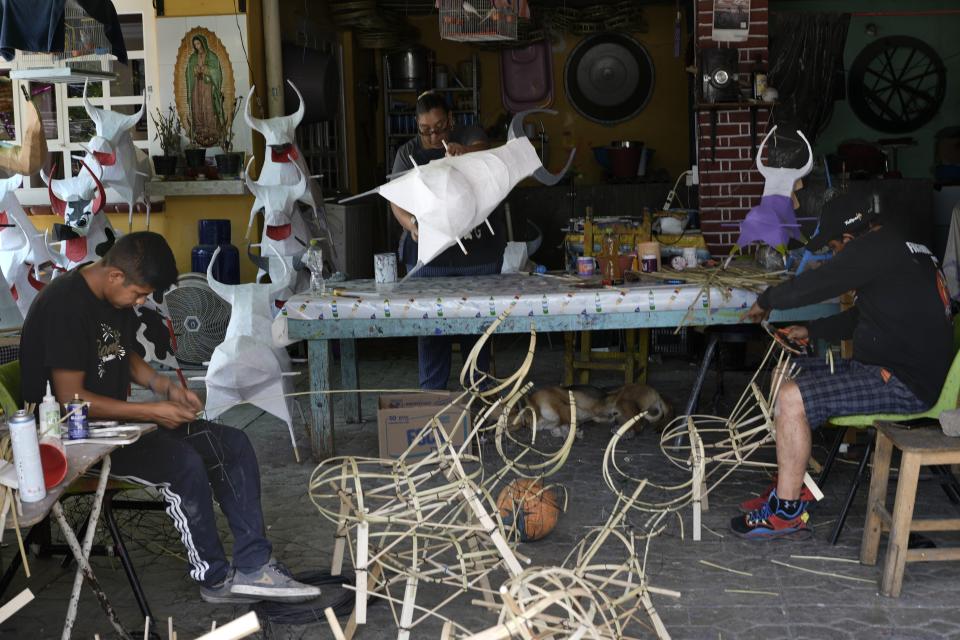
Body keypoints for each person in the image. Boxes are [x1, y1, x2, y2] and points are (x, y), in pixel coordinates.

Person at [20, 232, 320, 604]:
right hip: (74, 441)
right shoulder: (65, 305)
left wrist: (165, 388)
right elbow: (71, 400)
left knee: (232, 444)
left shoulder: (111, 295)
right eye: (140, 294)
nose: (141, 302)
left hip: (118, 426)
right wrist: (151, 410)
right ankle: (213, 578)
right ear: (115, 276)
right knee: (182, 464)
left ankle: (254, 566)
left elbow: (120, 354)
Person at [731, 192, 953, 539]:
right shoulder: (901, 242)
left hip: (903, 382)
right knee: (784, 375)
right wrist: (813, 329)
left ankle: (786, 512)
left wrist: (767, 300)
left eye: (835, 246)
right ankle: (793, 485)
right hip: (889, 369)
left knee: (792, 396)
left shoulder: (874, 247)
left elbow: (822, 282)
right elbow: (869, 316)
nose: (835, 254)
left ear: (849, 238)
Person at [390, 91, 506, 389]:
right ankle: (433, 397)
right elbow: (396, 199)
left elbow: (487, 154)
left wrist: (462, 151)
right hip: (429, 259)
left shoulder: (468, 135)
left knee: (477, 327)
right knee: (431, 328)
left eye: (439, 128)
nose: (432, 136)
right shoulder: (407, 152)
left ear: (451, 121)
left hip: (476, 256)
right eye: (425, 130)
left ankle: (479, 393)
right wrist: (411, 224)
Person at [186, 33, 224, 146]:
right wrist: (194, 70)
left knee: (208, 105)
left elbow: (217, 71)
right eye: (195, 45)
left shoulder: (211, 56)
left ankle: (211, 130)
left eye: (198, 43)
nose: (197, 46)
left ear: (203, 43)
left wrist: (206, 69)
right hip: (197, 84)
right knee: (197, 104)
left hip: (208, 84)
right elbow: (187, 73)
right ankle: (199, 129)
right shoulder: (193, 57)